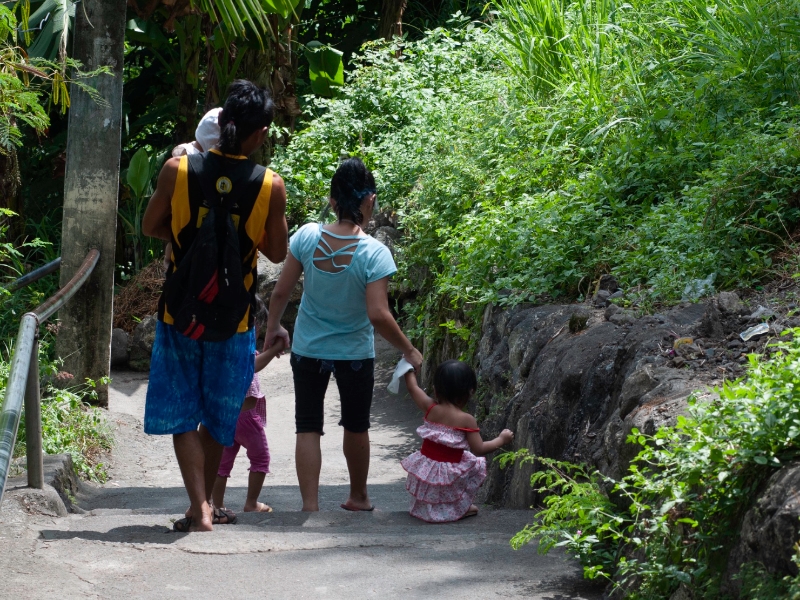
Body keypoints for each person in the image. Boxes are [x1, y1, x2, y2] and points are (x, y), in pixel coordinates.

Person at [142, 80, 288, 532]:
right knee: (219, 413)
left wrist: (192, 241)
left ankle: (198, 508)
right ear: (260, 132)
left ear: (223, 123)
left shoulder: (177, 170)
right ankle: (203, 502)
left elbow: (151, 226)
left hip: (180, 311)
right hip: (234, 317)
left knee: (183, 410)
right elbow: (278, 252)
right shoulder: (270, 185)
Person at [266, 157, 423, 512]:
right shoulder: (374, 253)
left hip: (308, 348)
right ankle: (358, 496)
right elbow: (378, 314)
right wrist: (409, 350)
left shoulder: (307, 236)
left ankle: (310, 505)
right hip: (354, 353)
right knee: (356, 425)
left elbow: (280, 292)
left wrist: (273, 326)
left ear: (332, 200)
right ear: (369, 201)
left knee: (307, 424)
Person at [401, 360, 514, 522]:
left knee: (442, 473)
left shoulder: (430, 407)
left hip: (427, 468)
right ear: (470, 392)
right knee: (473, 464)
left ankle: (426, 508)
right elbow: (479, 448)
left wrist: (409, 368)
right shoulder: (466, 419)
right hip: (448, 470)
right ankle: (455, 509)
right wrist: (501, 440)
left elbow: (413, 388)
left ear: (436, 389)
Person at [212, 302, 285, 514]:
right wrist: (275, 350)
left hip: (228, 416)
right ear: (253, 322)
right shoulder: (241, 342)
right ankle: (252, 503)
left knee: (223, 463)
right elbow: (252, 366)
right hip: (246, 418)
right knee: (261, 458)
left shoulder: (224, 341)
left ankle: (217, 504)